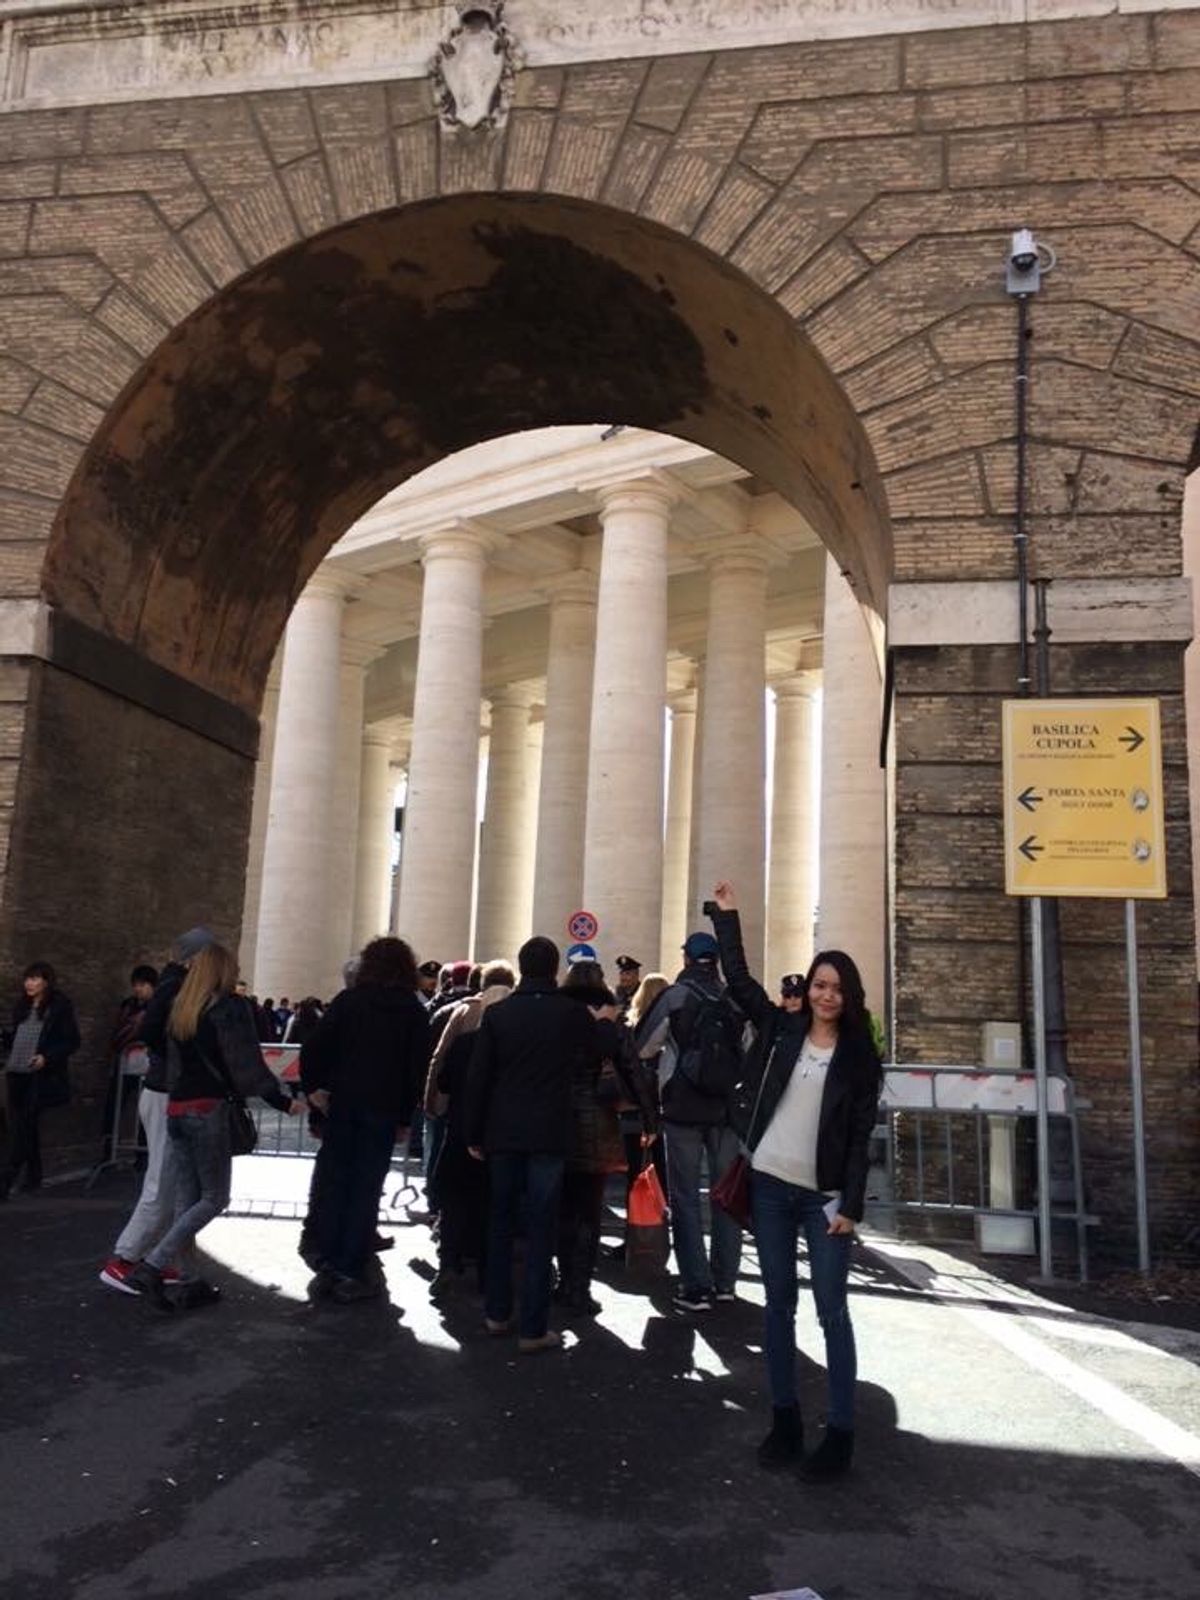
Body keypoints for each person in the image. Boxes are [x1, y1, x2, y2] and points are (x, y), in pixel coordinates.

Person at [709, 881, 882, 1481]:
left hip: (823, 1199)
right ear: (808, 988)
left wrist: (851, 1205)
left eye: (837, 988)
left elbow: (859, 1137)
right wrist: (727, 918)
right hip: (770, 1186)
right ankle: (784, 1420)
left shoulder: (860, 1057)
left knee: (832, 1311)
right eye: (819, 984)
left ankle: (840, 1434)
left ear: (849, 996)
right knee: (777, 1307)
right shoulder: (782, 1031)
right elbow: (739, 982)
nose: (826, 995)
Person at [127, 942, 303, 1309]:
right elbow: (246, 1066)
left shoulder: (181, 1007)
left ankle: (190, 1279)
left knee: (187, 1199)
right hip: (208, 1109)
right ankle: (154, 1264)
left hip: (177, 1106)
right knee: (214, 1197)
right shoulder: (229, 1008)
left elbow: (162, 1050)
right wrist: (284, 1102)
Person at [465, 935, 602, 1353]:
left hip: (503, 1132)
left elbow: (479, 1078)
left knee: (501, 1222)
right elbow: (599, 1050)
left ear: (522, 967)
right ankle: (533, 1328)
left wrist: (473, 1134)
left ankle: (496, 1312)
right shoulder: (570, 1013)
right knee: (543, 1227)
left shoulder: (499, 1014)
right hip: (549, 1133)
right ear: (554, 968)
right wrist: (604, 1019)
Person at [299, 937, 429, 1304]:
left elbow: (314, 1048)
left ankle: (327, 1258)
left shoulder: (349, 1002)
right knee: (366, 1189)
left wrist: (314, 1090)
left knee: (336, 1183)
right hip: (384, 1110)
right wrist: (405, 1117)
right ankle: (350, 1267)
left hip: (343, 1106)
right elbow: (416, 1071)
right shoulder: (412, 1010)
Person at [100, 930, 215, 1292]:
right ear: (196, 958)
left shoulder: (173, 985)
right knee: (162, 1180)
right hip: (165, 1091)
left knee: (173, 1181)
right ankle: (124, 1260)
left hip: (166, 1089)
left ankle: (154, 1258)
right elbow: (151, 1030)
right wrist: (176, 1058)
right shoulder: (175, 987)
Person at [636, 931, 744, 1312]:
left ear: (686, 959)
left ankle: (695, 1286)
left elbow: (643, 1046)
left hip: (682, 1109)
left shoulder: (675, 997)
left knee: (685, 1197)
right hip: (726, 1110)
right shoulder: (734, 999)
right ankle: (726, 1282)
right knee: (726, 1195)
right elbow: (750, 1048)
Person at [426, 959, 515, 1296]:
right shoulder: (513, 1046)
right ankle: (487, 1273)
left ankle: (448, 1264)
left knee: (455, 1200)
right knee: (491, 1202)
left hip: (461, 1130)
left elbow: (442, 1073)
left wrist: (433, 1105)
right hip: (499, 1134)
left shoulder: (463, 1039)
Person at [556, 965, 633, 1315]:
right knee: (589, 1211)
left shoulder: (559, 1013)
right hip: (598, 1122)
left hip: (558, 1120)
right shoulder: (607, 1019)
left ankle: (563, 1281)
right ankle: (580, 1288)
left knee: (563, 1208)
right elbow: (628, 1065)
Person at [0, 962, 81, 1200]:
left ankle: (6, 1179)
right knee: (25, 1125)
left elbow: (71, 1041)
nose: (29, 983)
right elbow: (18, 1038)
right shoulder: (22, 1006)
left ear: (47, 981)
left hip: (41, 1075)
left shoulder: (59, 1007)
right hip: (17, 1072)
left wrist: (47, 1057)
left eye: (35, 979)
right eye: (28, 979)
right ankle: (34, 1177)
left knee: (22, 1127)